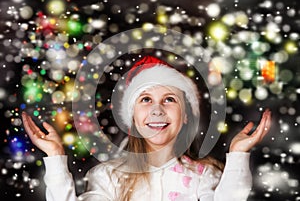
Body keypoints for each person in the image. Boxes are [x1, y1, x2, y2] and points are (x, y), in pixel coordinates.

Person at [22, 56, 272, 201]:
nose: (157, 110)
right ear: (132, 118)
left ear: (185, 116)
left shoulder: (204, 176)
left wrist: (238, 155)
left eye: (170, 100)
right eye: (145, 100)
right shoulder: (107, 177)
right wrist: (55, 158)